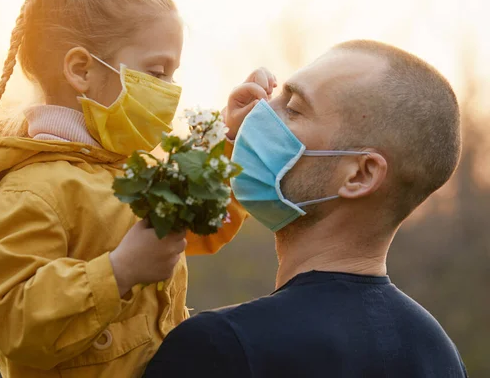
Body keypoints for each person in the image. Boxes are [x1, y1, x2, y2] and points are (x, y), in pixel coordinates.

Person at [0, 0, 276, 377]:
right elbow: (15, 325)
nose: (170, 91)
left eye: (172, 74)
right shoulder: (30, 191)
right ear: (81, 69)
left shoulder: (126, 171)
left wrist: (231, 140)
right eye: (157, 71)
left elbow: (200, 225)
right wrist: (119, 271)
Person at [144, 40, 468, 378]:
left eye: (294, 108)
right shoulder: (439, 354)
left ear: (359, 174)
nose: (259, 112)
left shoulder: (222, 348)